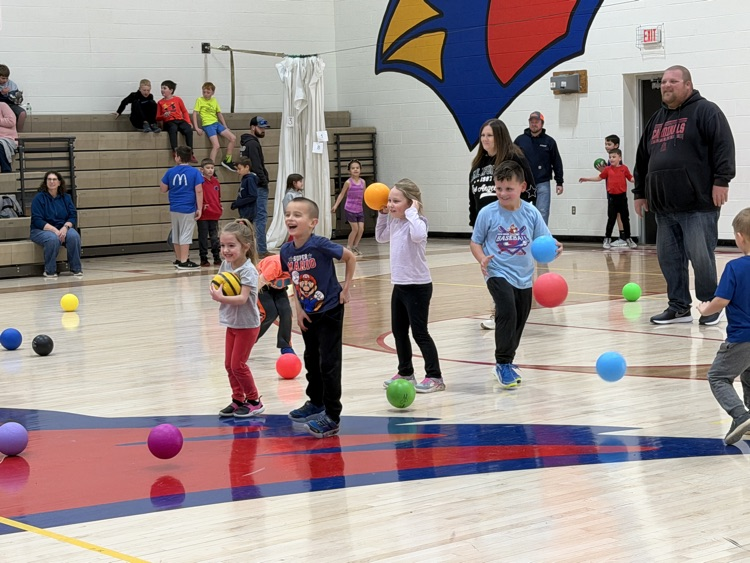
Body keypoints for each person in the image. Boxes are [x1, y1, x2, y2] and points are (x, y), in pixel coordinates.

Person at [634, 65, 736, 326]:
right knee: (669, 259)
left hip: (698, 204)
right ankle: (679, 307)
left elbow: (723, 146)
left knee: (701, 258)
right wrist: (639, 192)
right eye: (663, 81)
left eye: (673, 81)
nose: (666, 85)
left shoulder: (706, 111)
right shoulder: (656, 119)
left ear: (688, 85)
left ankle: (710, 305)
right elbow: (642, 158)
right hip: (663, 207)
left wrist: (722, 181)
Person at [470, 160, 562, 388]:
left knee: (520, 317)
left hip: (524, 276)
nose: (503, 193)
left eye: (509, 188)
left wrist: (555, 247)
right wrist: (482, 258)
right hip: (496, 271)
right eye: (499, 188)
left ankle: (508, 361)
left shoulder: (531, 212)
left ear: (522, 187)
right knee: (507, 311)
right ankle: (502, 363)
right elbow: (475, 242)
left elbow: (544, 240)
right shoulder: (487, 213)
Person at [281, 197, 356, 438]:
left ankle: (332, 416)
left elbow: (350, 257)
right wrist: (299, 309)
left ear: (313, 222)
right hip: (308, 312)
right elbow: (294, 281)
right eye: (288, 214)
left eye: (297, 214)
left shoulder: (320, 244)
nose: (291, 218)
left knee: (329, 363)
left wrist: (346, 289)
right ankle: (316, 402)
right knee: (311, 359)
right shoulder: (286, 251)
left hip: (330, 309)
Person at [376, 179, 445, 393]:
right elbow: (380, 237)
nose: (390, 204)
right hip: (400, 285)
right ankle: (406, 372)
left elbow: (418, 236)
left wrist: (413, 212)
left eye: (396, 201)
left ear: (411, 203)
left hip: (418, 286)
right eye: (389, 200)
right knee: (399, 331)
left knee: (419, 333)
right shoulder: (395, 222)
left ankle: (435, 377)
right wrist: (382, 215)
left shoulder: (418, 222)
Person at [470, 118, 536, 330]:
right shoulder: (478, 164)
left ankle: (505, 313)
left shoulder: (514, 158)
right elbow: (473, 195)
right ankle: (502, 312)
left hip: (510, 224)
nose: (485, 139)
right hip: (486, 224)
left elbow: (530, 188)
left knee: (508, 268)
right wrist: (474, 220)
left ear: (499, 137)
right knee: (492, 269)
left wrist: (524, 217)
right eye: (482, 135)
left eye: (489, 135)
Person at [697, 208, 750, 445]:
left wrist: (704, 310)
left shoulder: (735, 267)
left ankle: (740, 416)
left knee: (718, 376)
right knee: (748, 374)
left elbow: (721, 300)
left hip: (742, 337)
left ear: (739, 237)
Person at [210, 218, 265, 418]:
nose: (225, 250)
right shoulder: (226, 265)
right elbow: (219, 283)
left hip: (247, 325)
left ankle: (254, 401)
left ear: (246, 246)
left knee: (238, 366)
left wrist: (220, 297)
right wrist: (215, 289)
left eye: (231, 246)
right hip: (232, 323)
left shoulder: (248, 270)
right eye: (222, 245)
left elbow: (242, 298)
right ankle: (237, 399)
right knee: (229, 365)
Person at [579, 148, 636, 249]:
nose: (611, 159)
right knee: (611, 219)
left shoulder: (624, 168)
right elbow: (599, 178)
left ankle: (628, 238)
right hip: (612, 199)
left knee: (625, 219)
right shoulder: (607, 170)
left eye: (614, 157)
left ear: (619, 158)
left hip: (622, 198)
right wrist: (587, 179)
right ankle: (607, 238)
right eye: (610, 157)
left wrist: (638, 180)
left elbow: (630, 178)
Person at [514, 111, 564, 225]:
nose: (534, 124)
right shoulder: (520, 140)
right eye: (531, 121)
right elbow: (512, 160)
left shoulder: (549, 141)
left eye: (536, 122)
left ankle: (541, 235)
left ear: (542, 123)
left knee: (542, 212)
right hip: (523, 183)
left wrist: (559, 182)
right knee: (521, 212)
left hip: (542, 183)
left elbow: (556, 162)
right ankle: (523, 234)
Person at [30, 171, 83, 278]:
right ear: (45, 182)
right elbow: (37, 220)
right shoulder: (38, 198)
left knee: (74, 236)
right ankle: (49, 271)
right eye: (49, 179)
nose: (51, 182)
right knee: (52, 238)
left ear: (59, 182)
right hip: (41, 230)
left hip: (62, 227)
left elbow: (72, 215)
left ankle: (76, 268)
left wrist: (65, 228)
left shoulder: (66, 197)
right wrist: (55, 231)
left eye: (54, 179)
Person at [159, 146, 204, 270]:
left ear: (178, 157)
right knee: (185, 234)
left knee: (176, 233)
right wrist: (199, 208)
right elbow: (199, 191)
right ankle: (184, 261)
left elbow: (163, 188)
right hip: (188, 207)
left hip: (174, 207)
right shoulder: (194, 172)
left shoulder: (170, 171)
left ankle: (179, 259)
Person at [240, 116, 272, 257]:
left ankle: (250, 250)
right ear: (253, 127)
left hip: (249, 184)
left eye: (264, 128)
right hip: (257, 185)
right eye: (260, 127)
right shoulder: (252, 144)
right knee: (260, 217)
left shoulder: (246, 143)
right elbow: (256, 165)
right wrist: (263, 181)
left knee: (250, 218)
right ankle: (261, 250)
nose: (263, 130)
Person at [192, 82, 236, 171]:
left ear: (212, 92)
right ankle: (210, 168)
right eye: (204, 92)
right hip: (208, 125)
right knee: (216, 146)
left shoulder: (214, 100)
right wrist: (196, 127)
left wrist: (225, 126)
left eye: (208, 92)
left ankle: (228, 160)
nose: (205, 94)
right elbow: (195, 114)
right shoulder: (199, 100)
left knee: (233, 138)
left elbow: (219, 113)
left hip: (216, 123)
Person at [257, 254, 295, 356]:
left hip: (278, 287)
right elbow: (258, 284)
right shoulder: (275, 265)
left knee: (286, 312)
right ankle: (248, 340)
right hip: (261, 285)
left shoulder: (301, 267)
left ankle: (285, 346)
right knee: (270, 314)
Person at [332, 160, 367, 257]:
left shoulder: (363, 182)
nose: (355, 170)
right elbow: (341, 194)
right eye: (353, 168)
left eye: (357, 168)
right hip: (350, 209)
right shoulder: (348, 182)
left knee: (361, 229)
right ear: (349, 171)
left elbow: (366, 195)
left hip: (359, 209)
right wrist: (335, 205)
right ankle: (348, 247)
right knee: (355, 229)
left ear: (360, 170)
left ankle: (355, 246)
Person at [156, 80, 195, 161]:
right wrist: (163, 116)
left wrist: (188, 122)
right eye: (161, 88)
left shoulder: (178, 99)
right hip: (169, 121)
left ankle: (190, 153)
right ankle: (175, 151)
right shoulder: (160, 102)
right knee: (173, 128)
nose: (162, 90)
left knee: (188, 129)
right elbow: (157, 117)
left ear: (171, 90)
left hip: (179, 120)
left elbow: (184, 111)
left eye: (164, 88)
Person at [198, 158, 222, 267]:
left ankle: (216, 256)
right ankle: (203, 257)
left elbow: (218, 196)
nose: (210, 170)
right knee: (203, 237)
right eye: (208, 168)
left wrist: (219, 206)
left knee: (214, 236)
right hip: (203, 215)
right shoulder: (200, 182)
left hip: (214, 213)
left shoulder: (216, 182)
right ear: (202, 169)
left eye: (212, 168)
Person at [231, 157, 259, 223]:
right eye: (237, 169)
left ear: (247, 167)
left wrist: (238, 203)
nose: (238, 171)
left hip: (248, 212)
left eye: (239, 169)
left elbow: (253, 196)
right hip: (244, 211)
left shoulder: (250, 179)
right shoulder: (245, 179)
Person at [0, 64, 26, 132]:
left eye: (7, 78)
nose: (5, 80)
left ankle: (19, 135)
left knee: (22, 113)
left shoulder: (12, 84)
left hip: (10, 105)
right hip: (1, 106)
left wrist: (18, 98)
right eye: (3, 78)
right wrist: (1, 93)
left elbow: (17, 98)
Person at [0, 102, 18, 173]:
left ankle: (6, 171)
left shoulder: (2, 105)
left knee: (1, 145)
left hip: (7, 138)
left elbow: (11, 121)